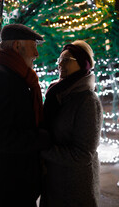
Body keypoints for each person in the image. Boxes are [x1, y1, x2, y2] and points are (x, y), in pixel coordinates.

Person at [0, 24, 51, 207]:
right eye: (33, 46)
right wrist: (40, 138)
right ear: (17, 46)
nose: (36, 54)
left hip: (15, 187)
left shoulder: (16, 77)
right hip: (6, 191)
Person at [40, 40, 103, 207]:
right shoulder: (58, 94)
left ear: (83, 64)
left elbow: (83, 155)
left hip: (74, 188)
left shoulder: (88, 100)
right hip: (53, 182)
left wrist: (43, 149)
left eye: (67, 60)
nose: (60, 64)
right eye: (59, 60)